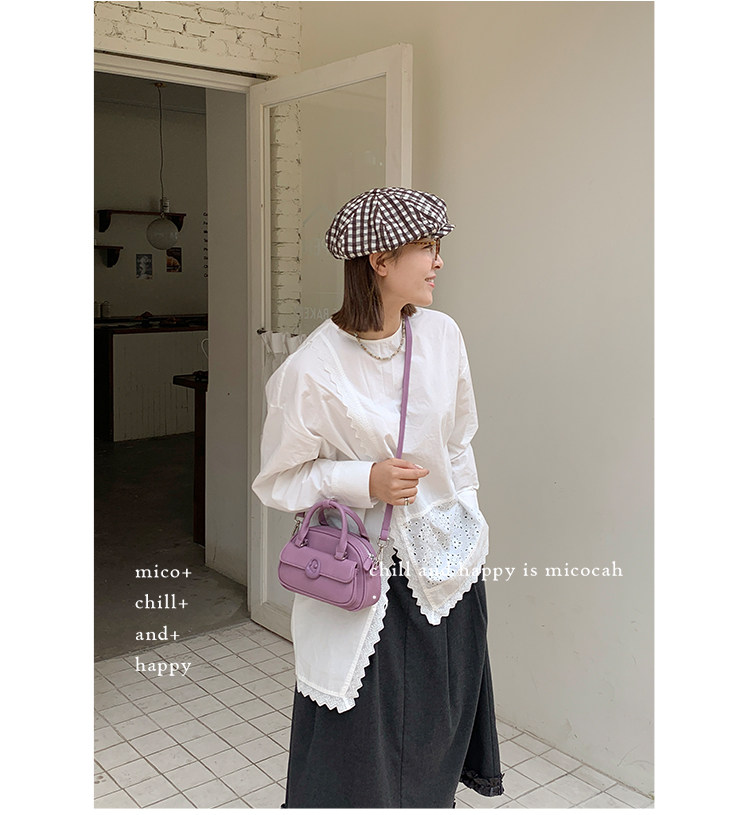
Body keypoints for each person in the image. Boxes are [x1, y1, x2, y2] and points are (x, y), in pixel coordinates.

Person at [252, 187, 505, 808]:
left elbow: (460, 442)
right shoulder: (312, 371)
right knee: (357, 757)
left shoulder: (442, 336)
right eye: (426, 247)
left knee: (436, 739)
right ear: (380, 260)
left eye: (438, 246)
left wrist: (469, 520)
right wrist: (362, 480)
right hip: (361, 585)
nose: (439, 261)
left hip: (445, 575)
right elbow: (277, 481)